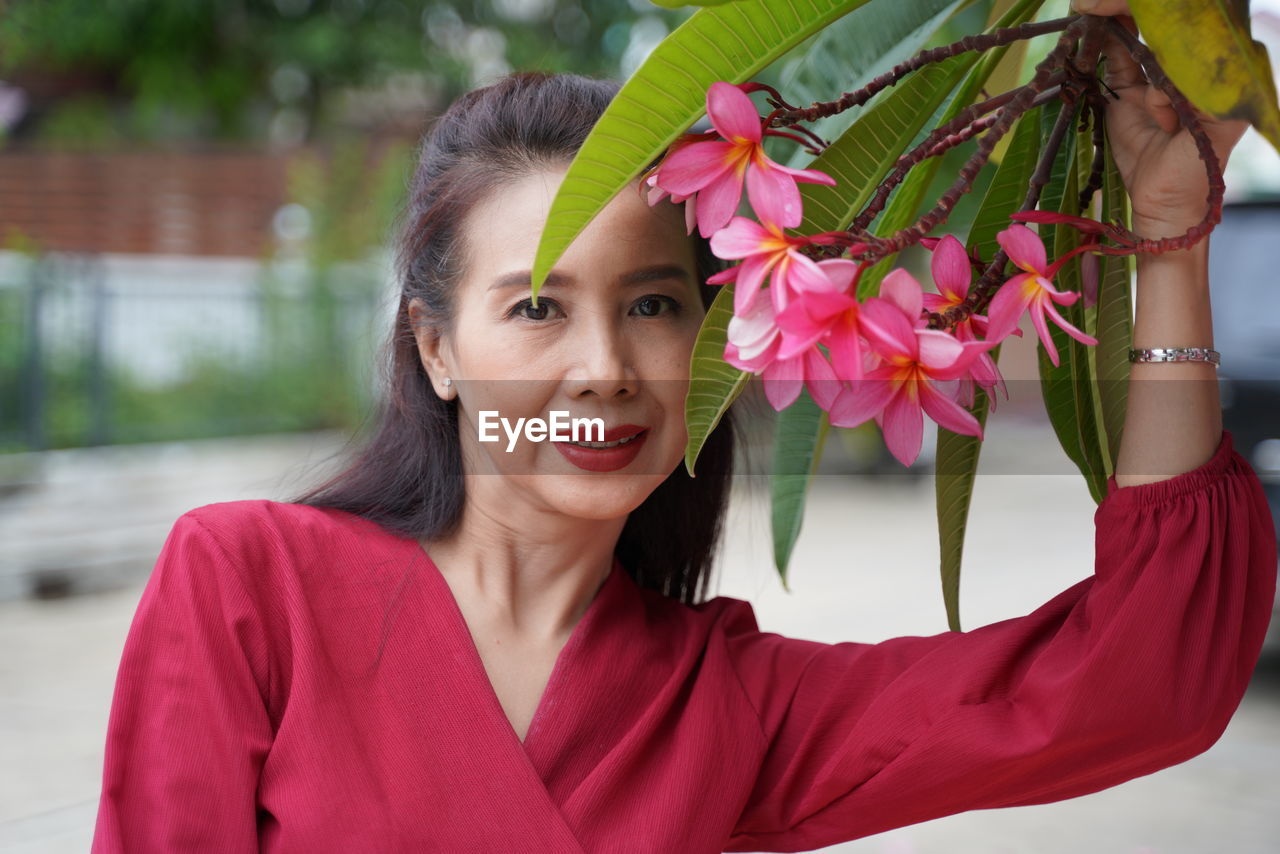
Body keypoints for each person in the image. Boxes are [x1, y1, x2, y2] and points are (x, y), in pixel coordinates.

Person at [91, 2, 1277, 851]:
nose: (604, 369)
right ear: (435, 347)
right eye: (537, 308)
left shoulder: (718, 702)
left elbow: (1138, 678)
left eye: (653, 305)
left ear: (715, 338)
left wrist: (1168, 231)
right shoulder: (252, 584)